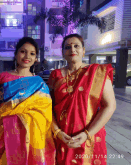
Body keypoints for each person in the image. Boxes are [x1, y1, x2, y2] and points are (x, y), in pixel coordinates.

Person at [48, 33, 116, 165]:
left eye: (76, 46)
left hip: (90, 136)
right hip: (62, 138)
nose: (72, 49)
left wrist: (87, 134)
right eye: (67, 47)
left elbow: (110, 106)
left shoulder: (98, 72)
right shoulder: (55, 75)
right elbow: (48, 107)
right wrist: (57, 132)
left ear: (83, 50)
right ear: (63, 53)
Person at [0, 37, 55, 165]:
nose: (27, 56)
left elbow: (46, 112)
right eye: (23, 51)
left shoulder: (39, 83)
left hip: (33, 134)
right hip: (6, 132)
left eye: (32, 53)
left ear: (36, 58)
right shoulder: (2, 77)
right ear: (16, 54)